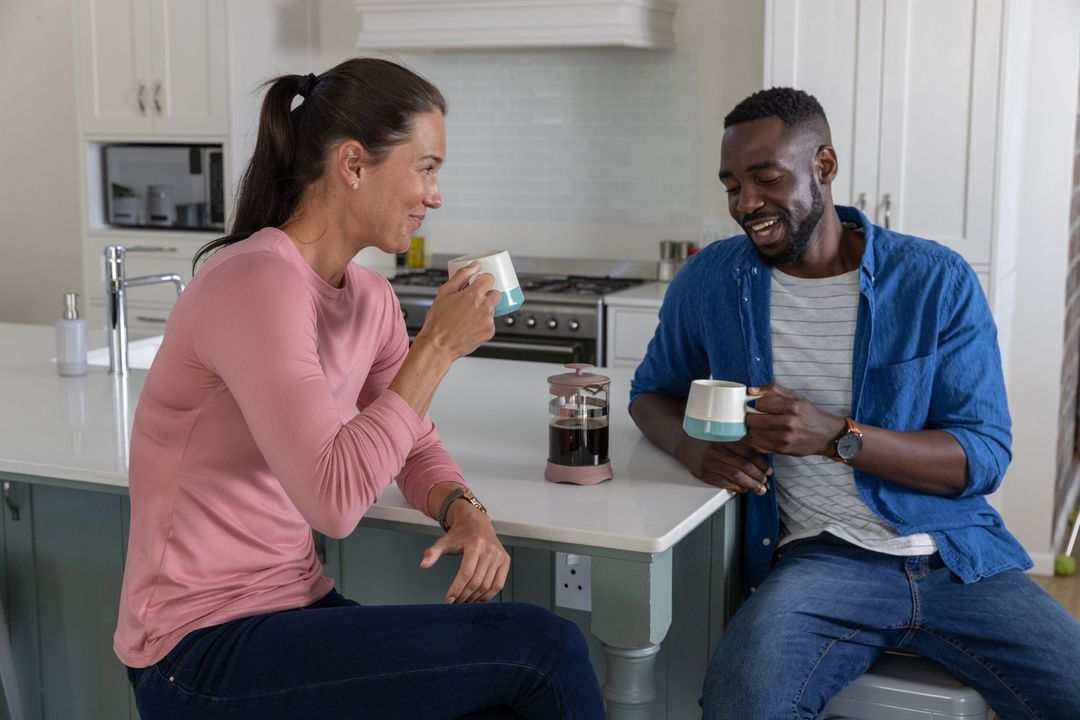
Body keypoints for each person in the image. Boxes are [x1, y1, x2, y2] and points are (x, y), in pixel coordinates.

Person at [113, 58, 606, 720]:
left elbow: (411, 443)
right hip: (197, 649)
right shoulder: (254, 283)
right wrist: (437, 346)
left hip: (292, 609)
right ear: (353, 165)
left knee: (500, 697)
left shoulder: (369, 298)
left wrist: (465, 510)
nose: (435, 195)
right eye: (426, 168)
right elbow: (334, 501)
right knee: (544, 652)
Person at [629, 87, 1080, 719]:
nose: (745, 204)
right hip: (820, 563)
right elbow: (650, 390)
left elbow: (982, 456)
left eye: (766, 178)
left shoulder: (935, 280)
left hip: (957, 557)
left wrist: (838, 436)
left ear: (825, 166)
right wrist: (691, 447)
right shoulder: (711, 281)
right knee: (741, 704)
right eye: (732, 185)